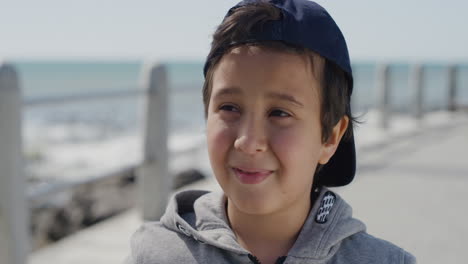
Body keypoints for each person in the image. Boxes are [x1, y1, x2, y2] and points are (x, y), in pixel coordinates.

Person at [126, 0, 416, 263]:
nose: (248, 142)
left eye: (280, 113)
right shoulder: (155, 253)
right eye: (229, 108)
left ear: (330, 137)